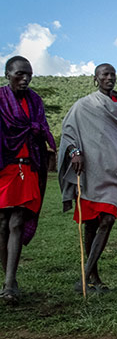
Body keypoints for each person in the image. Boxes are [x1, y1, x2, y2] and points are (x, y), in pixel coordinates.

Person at [58, 63, 117, 293]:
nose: (109, 78)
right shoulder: (83, 105)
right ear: (95, 79)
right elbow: (68, 132)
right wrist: (75, 153)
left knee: (107, 219)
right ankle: (94, 277)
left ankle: (84, 276)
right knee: (91, 224)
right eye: (104, 74)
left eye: (112, 74)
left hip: (112, 171)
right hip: (89, 171)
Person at [0, 56, 55, 304]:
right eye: (20, 74)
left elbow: (41, 127)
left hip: (28, 166)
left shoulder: (35, 101)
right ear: (7, 74)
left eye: (29, 75)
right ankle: (9, 278)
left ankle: (10, 283)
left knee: (17, 222)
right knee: (2, 223)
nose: (25, 79)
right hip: (4, 167)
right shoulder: (0, 99)